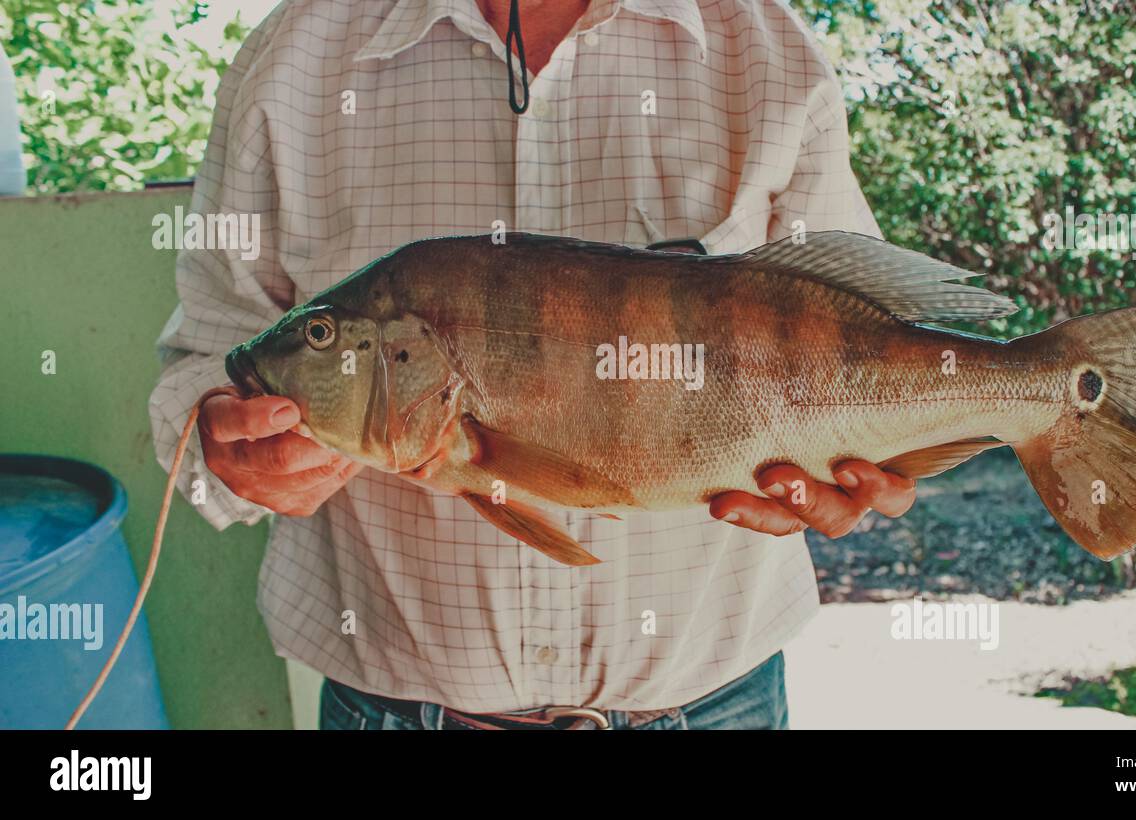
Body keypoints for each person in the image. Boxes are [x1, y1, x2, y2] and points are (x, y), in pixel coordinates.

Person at [149, 0, 916, 730]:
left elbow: (872, 325)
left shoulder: (767, 49)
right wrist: (226, 447)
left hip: (712, 705)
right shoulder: (294, 56)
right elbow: (208, 362)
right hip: (392, 711)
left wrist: (886, 455)